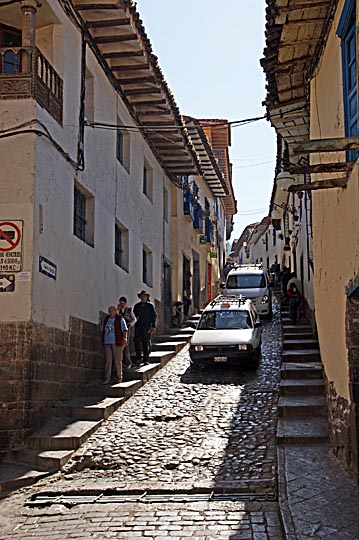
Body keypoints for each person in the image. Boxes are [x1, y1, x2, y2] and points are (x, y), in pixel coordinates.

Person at [101, 306, 128, 384]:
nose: (110, 312)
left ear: (115, 311)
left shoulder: (120, 319)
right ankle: (107, 378)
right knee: (108, 361)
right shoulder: (107, 319)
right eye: (109, 311)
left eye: (112, 311)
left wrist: (125, 338)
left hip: (117, 342)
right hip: (107, 342)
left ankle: (119, 377)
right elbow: (103, 330)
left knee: (117, 360)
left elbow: (124, 330)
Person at [133, 290, 157, 365]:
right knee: (137, 341)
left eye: (144, 296)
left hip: (147, 326)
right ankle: (138, 358)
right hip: (138, 326)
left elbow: (153, 316)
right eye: (142, 296)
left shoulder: (150, 306)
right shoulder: (136, 306)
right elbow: (134, 314)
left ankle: (146, 359)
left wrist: (153, 325)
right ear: (140, 297)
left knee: (146, 342)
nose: (143, 297)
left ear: (147, 297)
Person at [118, 296, 136, 368]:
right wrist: (118, 309)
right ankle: (122, 361)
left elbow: (134, 319)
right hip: (119, 329)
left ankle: (128, 362)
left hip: (127, 328)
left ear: (125, 303)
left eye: (123, 303)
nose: (122, 304)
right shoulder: (118, 310)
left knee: (125, 344)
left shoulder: (129, 310)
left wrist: (130, 325)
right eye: (121, 303)